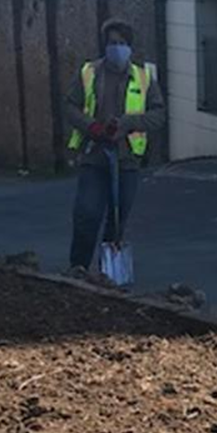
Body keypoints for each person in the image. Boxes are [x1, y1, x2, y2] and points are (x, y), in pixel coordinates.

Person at [63, 18, 165, 273]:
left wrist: (128, 123)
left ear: (130, 47)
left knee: (117, 221)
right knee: (87, 213)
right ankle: (79, 267)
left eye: (121, 43)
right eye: (111, 43)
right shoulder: (89, 73)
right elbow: (70, 106)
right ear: (104, 46)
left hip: (127, 159)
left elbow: (158, 115)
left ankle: (109, 274)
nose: (116, 48)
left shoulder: (143, 77)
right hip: (94, 155)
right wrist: (93, 127)